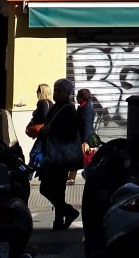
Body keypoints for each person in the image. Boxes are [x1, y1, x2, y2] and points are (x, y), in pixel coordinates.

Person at [38, 78, 80, 231]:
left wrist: (50, 130)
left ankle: (68, 213)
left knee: (48, 188)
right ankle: (60, 219)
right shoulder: (57, 107)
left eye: (59, 91)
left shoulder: (68, 109)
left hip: (59, 157)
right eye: (55, 90)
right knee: (55, 189)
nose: (55, 93)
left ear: (67, 93)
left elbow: (69, 133)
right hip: (53, 156)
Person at [67, 87, 95, 184]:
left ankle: (87, 177)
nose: (76, 99)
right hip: (83, 138)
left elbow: (86, 125)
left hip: (85, 139)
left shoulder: (86, 108)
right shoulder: (86, 106)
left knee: (85, 160)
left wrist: (85, 141)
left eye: (78, 97)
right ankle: (72, 177)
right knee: (80, 159)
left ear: (83, 97)